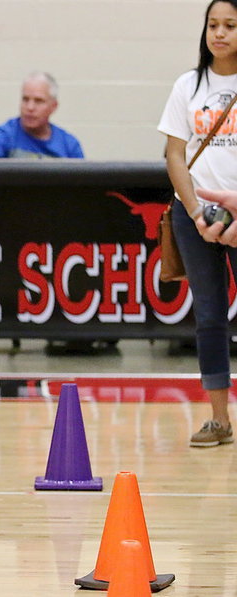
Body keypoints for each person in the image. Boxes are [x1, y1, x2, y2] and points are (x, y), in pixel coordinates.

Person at [158, 0, 237, 448]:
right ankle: (219, 419)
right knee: (209, 315)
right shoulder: (188, 85)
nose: (219, 33)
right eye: (213, 25)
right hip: (196, 217)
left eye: (230, 25)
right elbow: (174, 153)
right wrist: (194, 212)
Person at [0, 71, 84, 160]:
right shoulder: (4, 134)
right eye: (25, 99)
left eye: (38, 101)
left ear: (53, 106)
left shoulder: (69, 145)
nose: (30, 107)